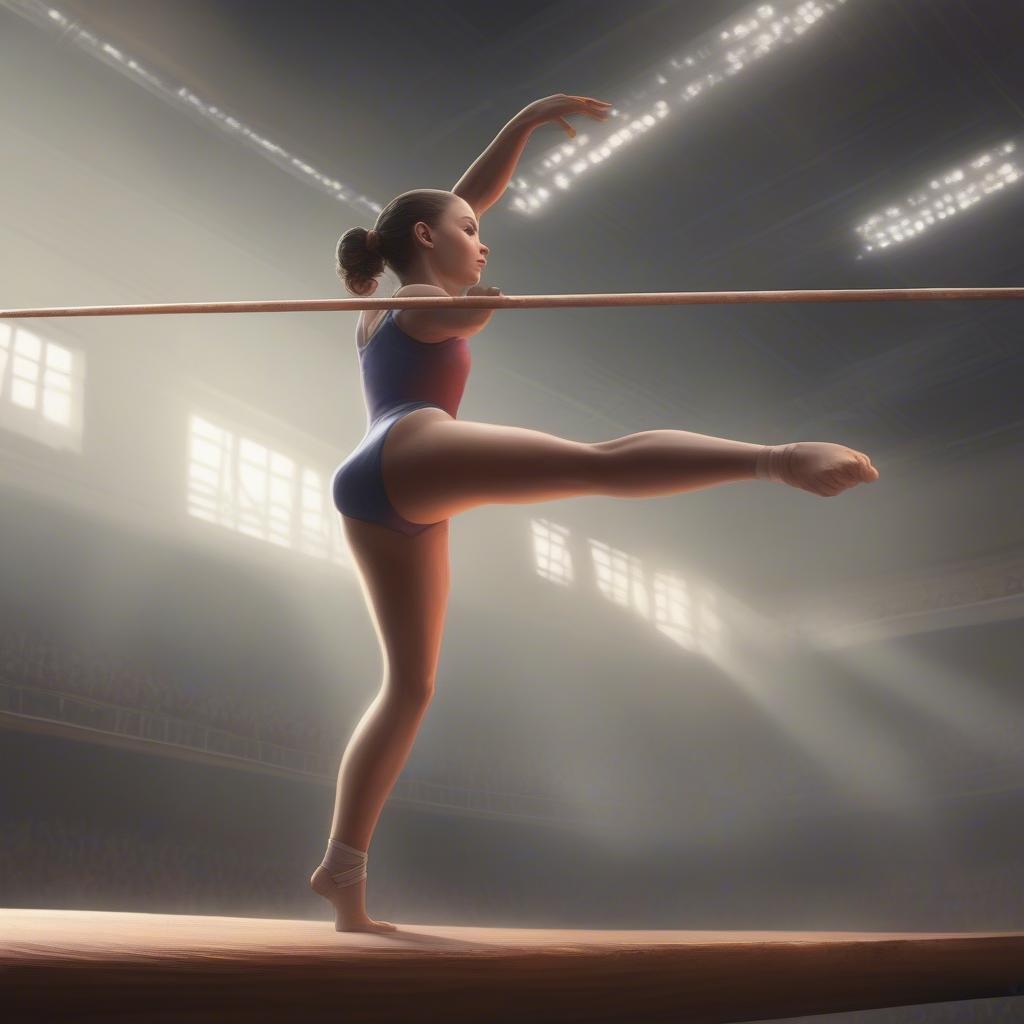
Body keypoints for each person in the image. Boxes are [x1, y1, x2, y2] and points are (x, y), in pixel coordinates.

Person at [312, 95, 879, 933]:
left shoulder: (388, 297)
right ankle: (779, 459)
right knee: (598, 466)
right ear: (427, 240)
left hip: (384, 477)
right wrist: (481, 307)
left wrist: (524, 123)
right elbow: (455, 300)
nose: (484, 234)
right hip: (412, 451)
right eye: (470, 230)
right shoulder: (420, 303)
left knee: (411, 686)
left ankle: (343, 875)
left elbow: (460, 205)